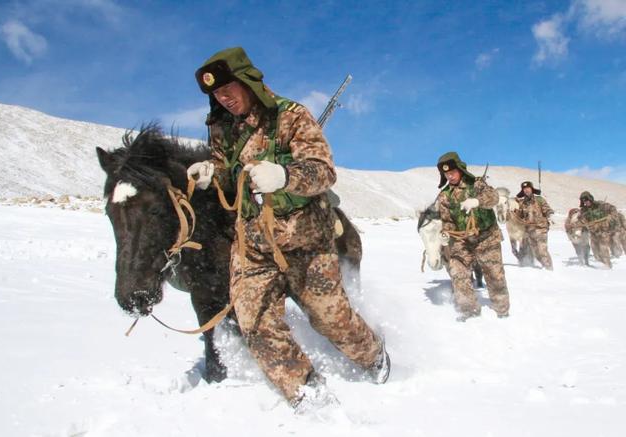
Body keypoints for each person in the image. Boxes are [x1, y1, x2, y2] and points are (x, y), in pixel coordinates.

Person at [187, 47, 389, 411]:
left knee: (332, 323)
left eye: (228, 88)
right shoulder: (221, 129)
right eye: (216, 94)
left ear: (247, 81)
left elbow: (323, 171)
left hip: (307, 244)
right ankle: (308, 394)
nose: (223, 97)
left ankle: (375, 357)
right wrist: (210, 173)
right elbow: (226, 171)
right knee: (255, 323)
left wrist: (285, 176)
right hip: (254, 246)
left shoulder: (291, 117)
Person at [436, 152, 510, 321]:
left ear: (460, 169)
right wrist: (446, 233)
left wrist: (477, 201)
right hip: (462, 242)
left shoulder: (477, 184)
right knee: (458, 273)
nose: (450, 176)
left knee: (494, 275)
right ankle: (469, 310)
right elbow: (447, 220)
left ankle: (502, 310)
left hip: (487, 238)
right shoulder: (444, 195)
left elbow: (494, 197)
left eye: (452, 172)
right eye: (446, 174)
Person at [514, 181, 554, 270]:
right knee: (536, 252)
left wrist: (550, 215)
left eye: (528, 188)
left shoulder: (539, 199)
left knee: (542, 250)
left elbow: (547, 209)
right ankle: (544, 266)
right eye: (524, 189)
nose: (526, 190)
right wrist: (514, 210)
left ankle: (549, 269)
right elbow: (520, 216)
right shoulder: (522, 203)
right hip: (529, 230)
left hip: (541, 228)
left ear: (531, 189)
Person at [578, 191, 622, 268]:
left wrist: (609, 218)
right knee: (595, 252)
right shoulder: (584, 210)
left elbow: (613, 209)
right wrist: (583, 221)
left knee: (603, 249)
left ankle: (608, 266)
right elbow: (581, 219)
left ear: (590, 199)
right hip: (593, 233)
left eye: (587, 200)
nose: (586, 202)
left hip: (603, 232)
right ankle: (602, 265)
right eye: (584, 201)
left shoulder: (600, 205)